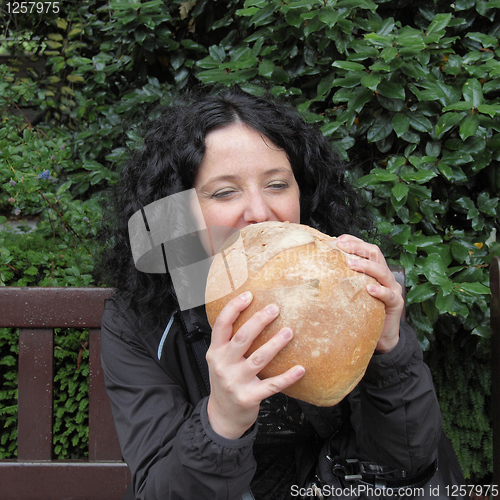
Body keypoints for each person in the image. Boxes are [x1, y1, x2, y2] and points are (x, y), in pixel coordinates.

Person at [99, 87, 443, 500]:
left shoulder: (350, 289)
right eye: (225, 192)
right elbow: (158, 491)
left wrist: (391, 353)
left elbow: (406, 460)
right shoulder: (138, 320)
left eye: (277, 185)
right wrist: (221, 421)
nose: (259, 212)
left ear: (303, 192)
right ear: (180, 210)